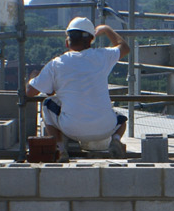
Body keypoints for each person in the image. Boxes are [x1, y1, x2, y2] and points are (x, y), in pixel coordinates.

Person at [25, 16, 129, 153]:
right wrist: (106, 29)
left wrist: (32, 78)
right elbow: (125, 48)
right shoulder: (102, 57)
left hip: (71, 129)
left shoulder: (56, 64)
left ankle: (60, 148)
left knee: (47, 103)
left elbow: (30, 92)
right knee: (121, 119)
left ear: (67, 43)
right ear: (91, 41)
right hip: (105, 129)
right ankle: (115, 141)